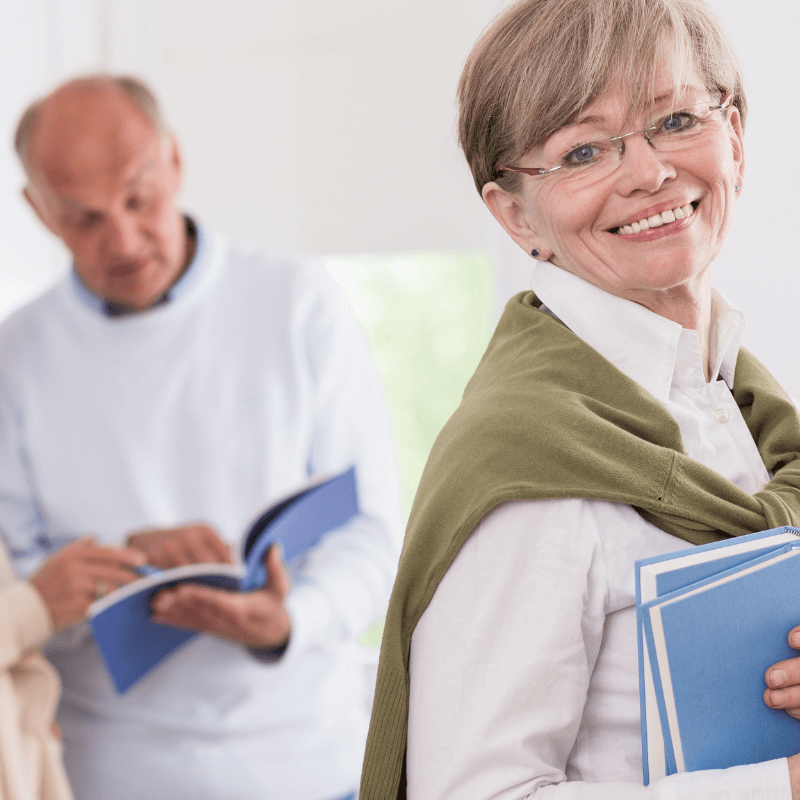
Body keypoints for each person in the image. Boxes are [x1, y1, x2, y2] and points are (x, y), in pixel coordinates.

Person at [360, 0, 800, 798]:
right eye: (583, 150)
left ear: (733, 137)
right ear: (514, 214)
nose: (647, 172)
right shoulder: (532, 467)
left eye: (674, 119)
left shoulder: (749, 409)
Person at [2, 75, 402, 800]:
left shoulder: (296, 302)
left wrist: (290, 620)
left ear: (174, 161)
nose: (122, 240)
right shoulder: (14, 357)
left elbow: (371, 532)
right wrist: (128, 562)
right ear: (37, 212)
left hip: (310, 766)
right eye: (83, 219)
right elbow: (20, 593)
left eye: (137, 197)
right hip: (112, 776)